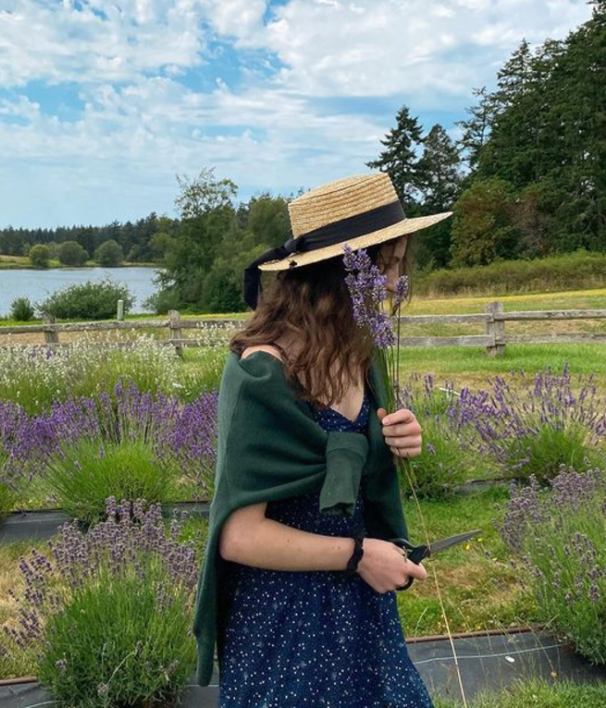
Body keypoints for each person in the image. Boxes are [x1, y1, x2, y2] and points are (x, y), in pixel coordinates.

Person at [192, 171, 453, 707]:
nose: (392, 282)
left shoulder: (362, 352)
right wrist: (357, 554)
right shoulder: (263, 373)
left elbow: (359, 465)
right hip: (288, 622)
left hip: (362, 607)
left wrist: (396, 439)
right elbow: (239, 536)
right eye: (388, 264)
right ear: (340, 273)